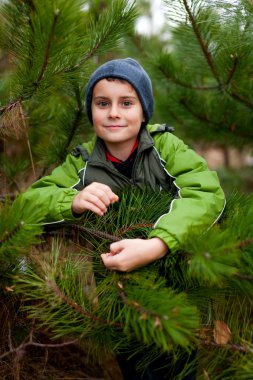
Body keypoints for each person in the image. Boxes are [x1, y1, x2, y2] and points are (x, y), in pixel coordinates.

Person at [20, 58, 225, 378]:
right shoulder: (83, 161)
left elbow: (207, 194)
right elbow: (29, 204)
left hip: (175, 289)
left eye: (126, 102)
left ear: (144, 111)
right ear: (91, 112)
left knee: (178, 365)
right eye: (102, 103)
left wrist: (158, 244)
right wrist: (71, 200)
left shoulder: (165, 147)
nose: (113, 112)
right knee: (134, 366)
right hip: (116, 291)